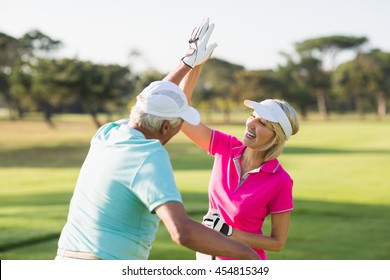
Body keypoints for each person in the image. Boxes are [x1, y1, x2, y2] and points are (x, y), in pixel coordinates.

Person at [55, 18, 259, 260]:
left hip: (66, 258)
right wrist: (248, 255)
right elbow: (181, 231)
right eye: (179, 121)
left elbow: (154, 99)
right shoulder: (149, 155)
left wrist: (187, 62)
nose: (181, 126)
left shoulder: (109, 133)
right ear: (165, 127)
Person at [179, 55, 300, 260]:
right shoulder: (227, 147)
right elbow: (179, 116)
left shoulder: (280, 180)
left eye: (262, 123)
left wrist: (228, 232)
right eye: (252, 116)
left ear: (276, 136)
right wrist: (195, 65)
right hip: (206, 256)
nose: (251, 124)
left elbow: (277, 242)